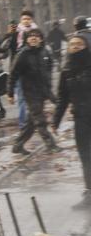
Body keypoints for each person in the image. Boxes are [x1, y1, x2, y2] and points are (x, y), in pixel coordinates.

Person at [9, 29, 59, 155]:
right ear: (26, 39)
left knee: (31, 122)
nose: (33, 38)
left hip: (43, 90)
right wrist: (10, 93)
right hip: (30, 92)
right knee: (40, 119)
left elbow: (49, 70)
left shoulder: (45, 52)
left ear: (41, 39)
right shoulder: (22, 54)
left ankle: (18, 145)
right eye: (30, 36)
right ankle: (51, 144)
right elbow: (13, 74)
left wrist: (49, 90)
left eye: (36, 36)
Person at [54, 35, 91, 198]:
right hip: (80, 117)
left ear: (86, 46)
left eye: (79, 44)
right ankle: (89, 188)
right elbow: (63, 97)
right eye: (72, 44)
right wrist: (56, 120)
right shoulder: (66, 70)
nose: (75, 46)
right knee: (84, 152)